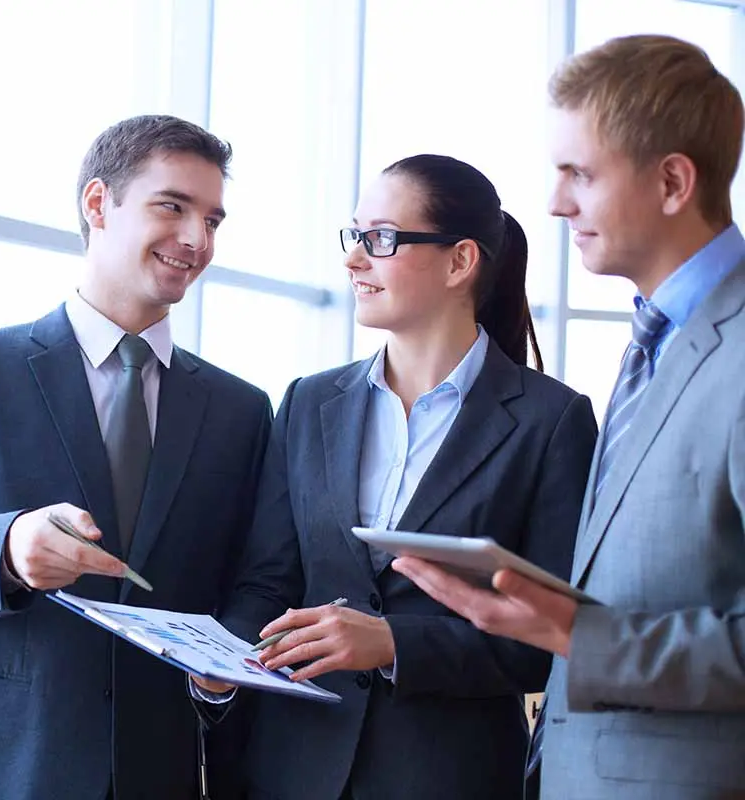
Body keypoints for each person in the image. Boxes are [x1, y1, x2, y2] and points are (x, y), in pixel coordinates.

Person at [0, 114, 273, 800]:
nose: (196, 239)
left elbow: (255, 580)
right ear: (98, 205)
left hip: (160, 770)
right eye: (172, 207)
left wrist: (226, 665)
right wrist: (7, 546)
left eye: (212, 220)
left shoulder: (240, 410)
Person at [394, 34, 745, 799]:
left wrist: (576, 635)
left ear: (674, 182)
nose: (554, 203)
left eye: (579, 174)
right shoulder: (655, 338)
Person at [198, 154, 599, 799]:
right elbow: (269, 579)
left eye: (380, 239)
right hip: (292, 770)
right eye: (354, 237)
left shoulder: (551, 421)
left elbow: (548, 637)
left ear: (460, 261)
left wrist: (393, 643)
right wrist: (218, 664)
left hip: (447, 776)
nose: (355, 259)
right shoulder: (308, 401)